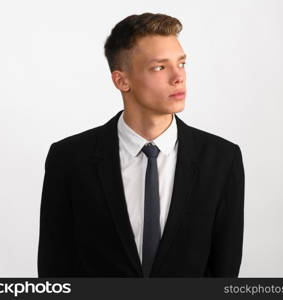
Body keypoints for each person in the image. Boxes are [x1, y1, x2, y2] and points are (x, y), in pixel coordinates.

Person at [37, 12, 245, 277]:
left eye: (181, 63)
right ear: (121, 80)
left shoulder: (222, 159)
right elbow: (54, 272)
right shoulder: (69, 159)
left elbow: (224, 272)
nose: (178, 77)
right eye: (160, 67)